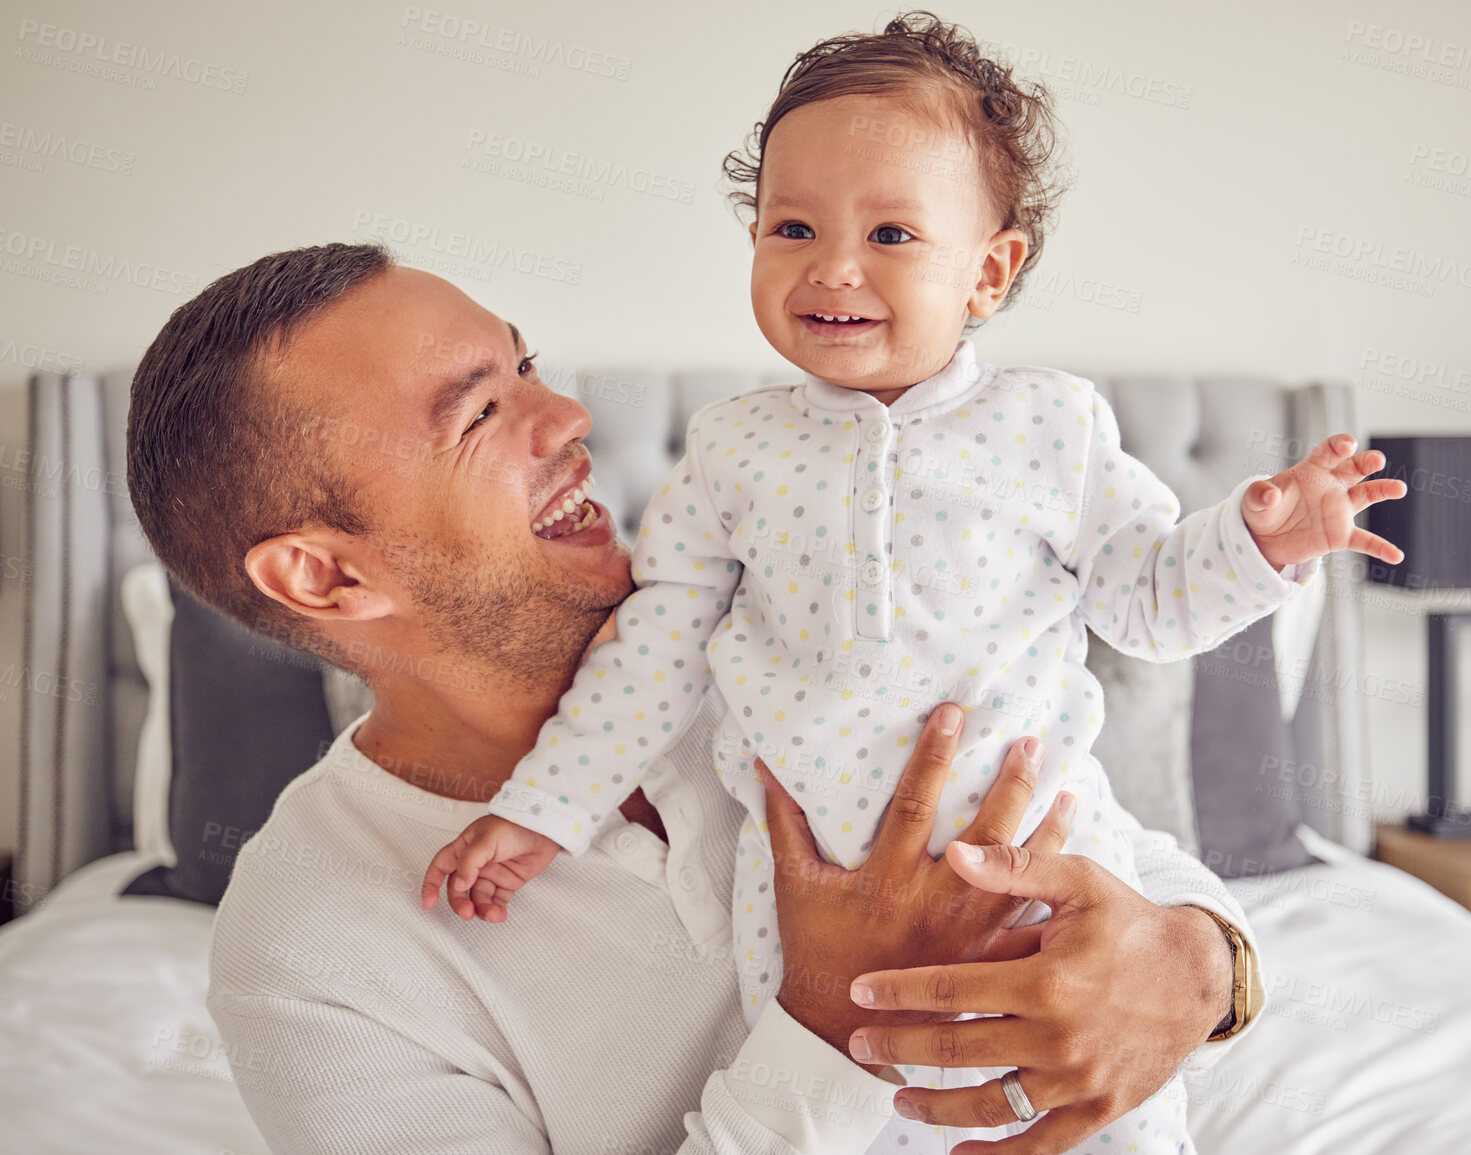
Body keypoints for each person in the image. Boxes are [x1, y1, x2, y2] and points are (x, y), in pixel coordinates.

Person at [421, 15, 1404, 1149]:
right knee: (867, 1106)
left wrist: (1260, 542)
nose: (832, 266)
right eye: (791, 226)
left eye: (891, 232)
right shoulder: (736, 447)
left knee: (1093, 1121)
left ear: (989, 269)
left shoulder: (1051, 425)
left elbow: (1147, 600)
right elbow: (653, 648)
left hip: (1042, 877)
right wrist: (542, 809)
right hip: (807, 906)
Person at [128, 240, 1264, 1154]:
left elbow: (1095, 833)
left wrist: (1201, 968)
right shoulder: (309, 954)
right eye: (479, 414)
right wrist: (823, 1018)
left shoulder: (785, 635)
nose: (566, 417)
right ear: (325, 576)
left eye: (528, 365)